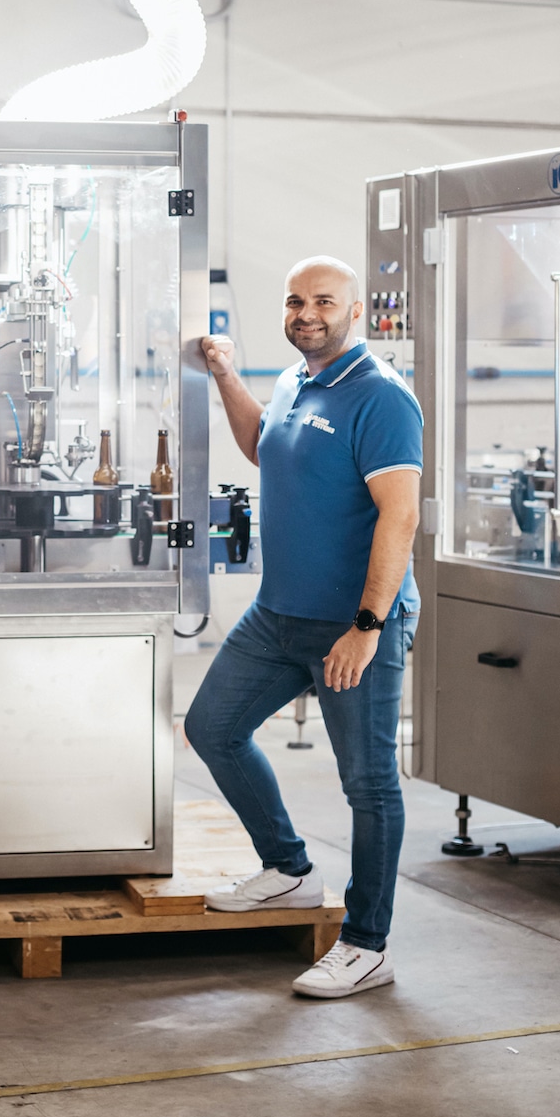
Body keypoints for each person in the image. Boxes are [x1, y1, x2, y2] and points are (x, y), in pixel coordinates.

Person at [186, 256, 422, 999]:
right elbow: (263, 448)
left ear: (353, 312)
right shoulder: (295, 380)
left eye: (322, 301)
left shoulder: (380, 398)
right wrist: (225, 374)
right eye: (294, 301)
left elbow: (401, 515)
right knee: (211, 727)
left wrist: (365, 626)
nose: (305, 313)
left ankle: (366, 943)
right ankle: (286, 868)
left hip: (351, 624)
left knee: (368, 785)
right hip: (277, 613)